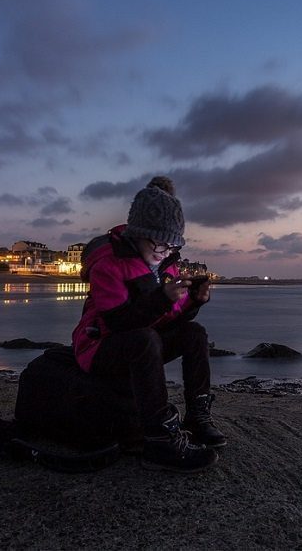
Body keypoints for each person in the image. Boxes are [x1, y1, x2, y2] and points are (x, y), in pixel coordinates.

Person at [71, 177, 225, 473]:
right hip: (98, 346)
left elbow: (170, 318)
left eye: (172, 244)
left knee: (194, 334)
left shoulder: (166, 262)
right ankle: (158, 439)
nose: (164, 250)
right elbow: (117, 322)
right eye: (158, 241)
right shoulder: (109, 263)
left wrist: (193, 301)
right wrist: (161, 300)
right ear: (138, 233)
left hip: (140, 341)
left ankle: (197, 415)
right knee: (145, 340)